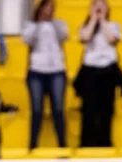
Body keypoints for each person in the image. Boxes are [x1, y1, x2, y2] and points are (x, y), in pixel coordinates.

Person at [76, 0, 122, 148]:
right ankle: (87, 143)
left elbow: (112, 39)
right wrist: (93, 18)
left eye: (102, 4)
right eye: (95, 5)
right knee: (89, 109)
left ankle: (105, 142)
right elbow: (84, 38)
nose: (99, 8)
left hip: (107, 71)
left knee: (107, 109)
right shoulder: (85, 26)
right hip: (90, 71)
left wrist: (103, 20)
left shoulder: (114, 25)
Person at [23, 0, 70, 150]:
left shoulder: (59, 24)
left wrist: (51, 22)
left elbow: (64, 35)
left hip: (57, 70)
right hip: (36, 71)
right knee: (37, 110)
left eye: (52, 8)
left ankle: (62, 144)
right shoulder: (31, 26)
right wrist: (39, 22)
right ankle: (33, 144)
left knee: (58, 109)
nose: (50, 10)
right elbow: (27, 39)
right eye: (47, 7)